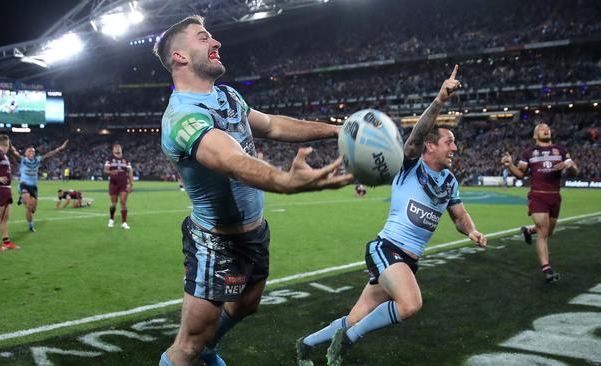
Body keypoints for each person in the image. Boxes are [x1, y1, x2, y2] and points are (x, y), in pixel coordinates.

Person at [152, 15, 353, 366]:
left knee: (247, 304)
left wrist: (338, 131)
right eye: (204, 38)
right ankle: (200, 349)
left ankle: (210, 347)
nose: (215, 43)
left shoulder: (227, 96)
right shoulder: (181, 118)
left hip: (254, 232)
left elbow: (273, 126)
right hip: (216, 242)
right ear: (180, 57)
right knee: (188, 345)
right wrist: (285, 182)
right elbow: (230, 158)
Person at [297, 65, 487, 366]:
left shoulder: (449, 180)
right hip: (386, 249)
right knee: (410, 303)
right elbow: (414, 138)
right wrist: (439, 100)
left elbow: (459, 216)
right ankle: (346, 342)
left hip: (409, 260)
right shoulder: (410, 163)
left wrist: (472, 231)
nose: (454, 148)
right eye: (448, 142)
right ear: (430, 146)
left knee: (355, 317)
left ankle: (305, 345)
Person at [501, 122, 577, 283]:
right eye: (542, 128)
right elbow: (521, 174)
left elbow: (574, 171)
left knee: (548, 231)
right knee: (543, 233)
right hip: (538, 196)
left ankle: (528, 231)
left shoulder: (561, 151)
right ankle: (547, 269)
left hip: (555, 196)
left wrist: (569, 165)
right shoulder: (529, 153)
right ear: (535, 135)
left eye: (548, 128)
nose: (546, 129)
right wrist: (509, 166)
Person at [10, 140, 68, 232]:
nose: (32, 152)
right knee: (28, 206)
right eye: (29, 151)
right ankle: (30, 225)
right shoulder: (22, 160)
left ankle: (24, 200)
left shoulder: (37, 160)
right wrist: (9, 145)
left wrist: (59, 149)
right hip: (24, 185)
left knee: (33, 210)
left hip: (33, 187)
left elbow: (49, 154)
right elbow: (14, 152)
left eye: (33, 151)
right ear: (25, 153)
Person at [104, 143, 133, 229]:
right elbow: (105, 170)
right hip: (113, 183)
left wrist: (131, 184)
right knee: (114, 203)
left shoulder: (126, 160)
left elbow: (130, 171)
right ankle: (111, 219)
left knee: (123, 202)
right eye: (115, 147)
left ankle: (124, 222)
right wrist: (111, 172)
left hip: (123, 183)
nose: (117, 149)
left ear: (121, 149)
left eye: (119, 147)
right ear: (113, 150)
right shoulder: (109, 159)